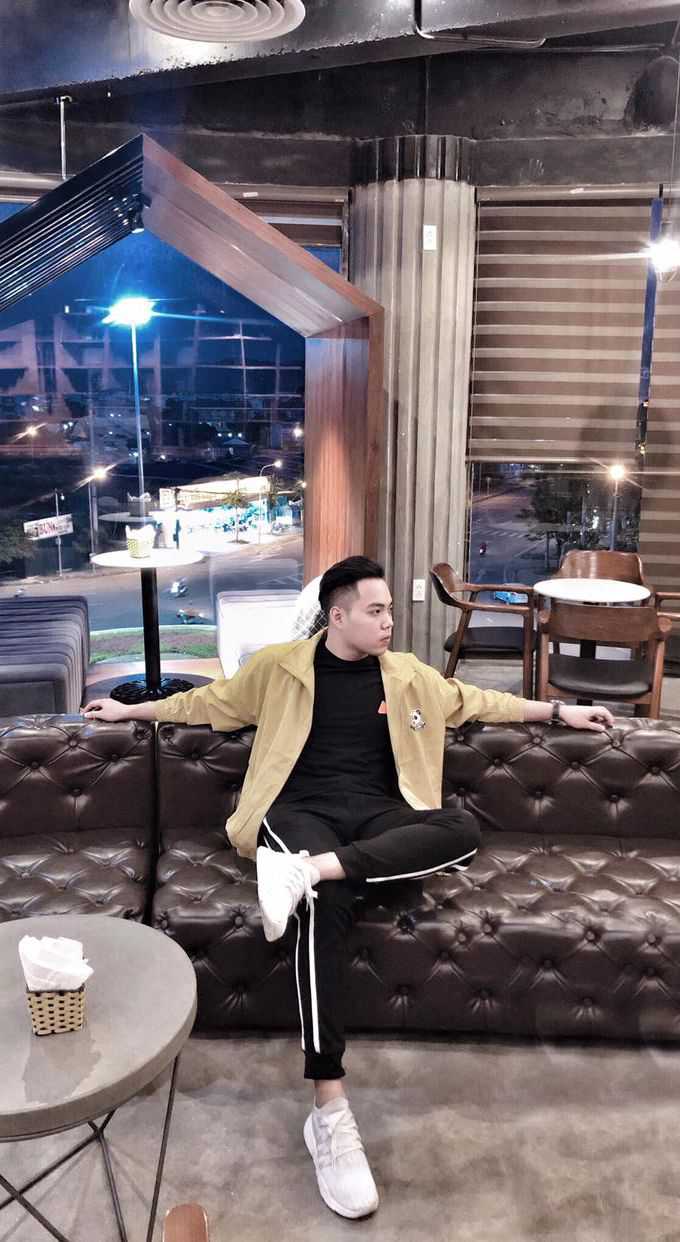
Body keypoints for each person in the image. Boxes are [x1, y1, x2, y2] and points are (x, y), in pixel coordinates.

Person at [82, 555, 614, 1220]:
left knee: (459, 829)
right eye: (376, 610)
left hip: (378, 816)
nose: (390, 621)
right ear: (337, 616)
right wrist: (129, 710)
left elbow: (480, 701)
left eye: (389, 610)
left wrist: (559, 710)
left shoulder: (408, 675)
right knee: (323, 902)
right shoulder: (280, 667)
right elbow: (208, 702)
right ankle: (329, 1106)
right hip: (297, 812)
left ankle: (313, 870)